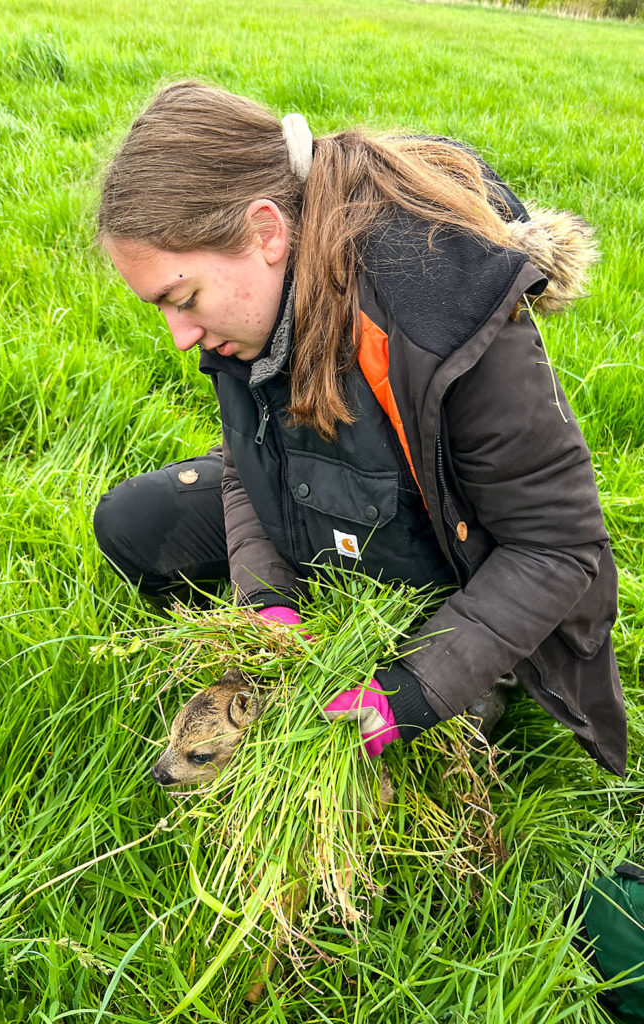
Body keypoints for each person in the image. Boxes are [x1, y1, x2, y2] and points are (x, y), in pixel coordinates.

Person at [93, 80, 627, 777]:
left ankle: (476, 681)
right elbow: (242, 467)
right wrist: (267, 603)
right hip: (342, 517)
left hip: (445, 560)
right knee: (135, 521)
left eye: (183, 297)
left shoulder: (439, 312)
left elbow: (558, 546)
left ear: (265, 232)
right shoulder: (242, 316)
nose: (179, 335)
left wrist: (404, 694)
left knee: (407, 760)